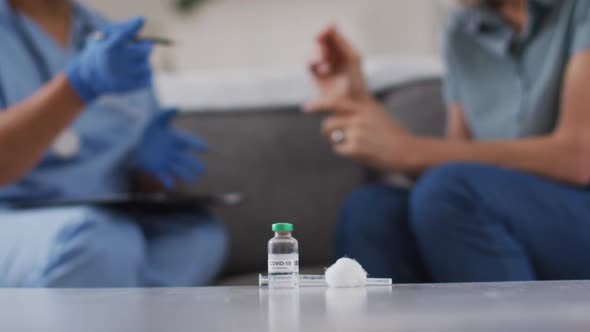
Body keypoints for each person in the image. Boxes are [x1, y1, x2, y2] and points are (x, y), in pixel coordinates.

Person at [306, 0, 590, 282]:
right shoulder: (461, 32)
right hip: (509, 214)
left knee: (450, 191)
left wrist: (409, 149)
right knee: (370, 211)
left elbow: (579, 159)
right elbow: (454, 159)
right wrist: (362, 106)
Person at [0, 0, 227, 287]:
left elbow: (144, 177)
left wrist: (152, 172)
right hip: (13, 217)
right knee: (98, 243)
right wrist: (76, 86)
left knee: (196, 237)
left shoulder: (110, 36)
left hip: (108, 218)